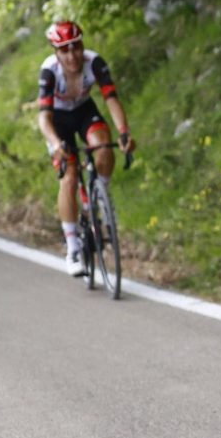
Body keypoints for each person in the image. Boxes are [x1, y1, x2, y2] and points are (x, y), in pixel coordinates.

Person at [36, 21, 136, 276]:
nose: (72, 55)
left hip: (83, 112)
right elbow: (43, 118)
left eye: (76, 47)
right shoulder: (49, 71)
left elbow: (111, 99)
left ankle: (98, 195)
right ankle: (72, 248)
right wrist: (56, 144)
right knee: (68, 178)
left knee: (103, 147)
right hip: (57, 121)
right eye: (65, 50)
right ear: (56, 52)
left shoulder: (94, 63)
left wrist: (123, 132)